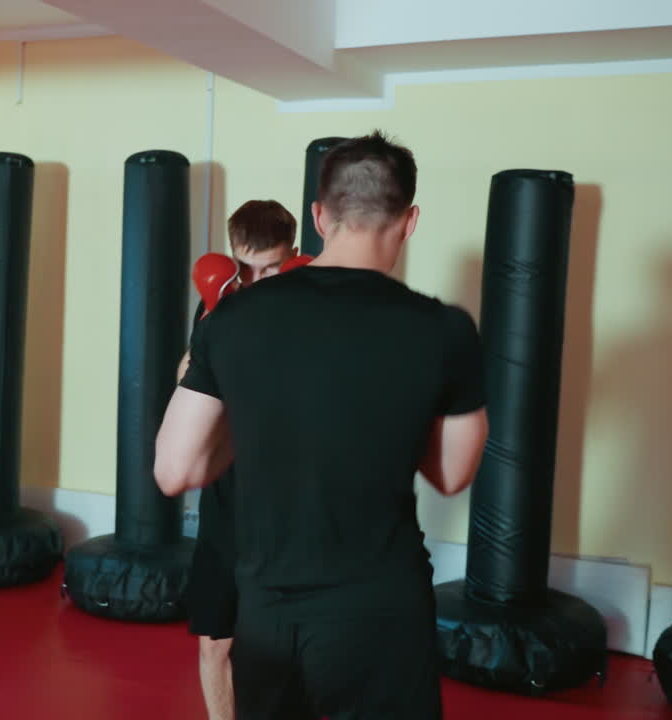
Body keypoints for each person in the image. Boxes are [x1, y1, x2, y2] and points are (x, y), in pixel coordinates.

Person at [155, 131, 488, 720]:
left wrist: (259, 408)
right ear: (410, 221)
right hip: (381, 611)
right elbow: (452, 473)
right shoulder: (445, 329)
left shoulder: (230, 321)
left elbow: (175, 470)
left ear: (318, 216)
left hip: (268, 612)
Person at [181, 199, 298, 720]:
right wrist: (210, 319)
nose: (254, 280)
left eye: (269, 267)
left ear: (293, 255)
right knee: (215, 641)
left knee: (288, 647)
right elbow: (188, 393)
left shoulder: (318, 308)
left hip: (293, 501)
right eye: (243, 268)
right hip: (228, 495)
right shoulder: (218, 303)